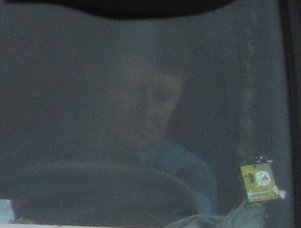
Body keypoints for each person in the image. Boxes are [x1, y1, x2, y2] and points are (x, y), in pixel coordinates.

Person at [83, 44, 218, 213]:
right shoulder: (51, 158)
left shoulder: (189, 176)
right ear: (97, 85)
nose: (147, 111)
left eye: (162, 98)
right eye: (132, 91)